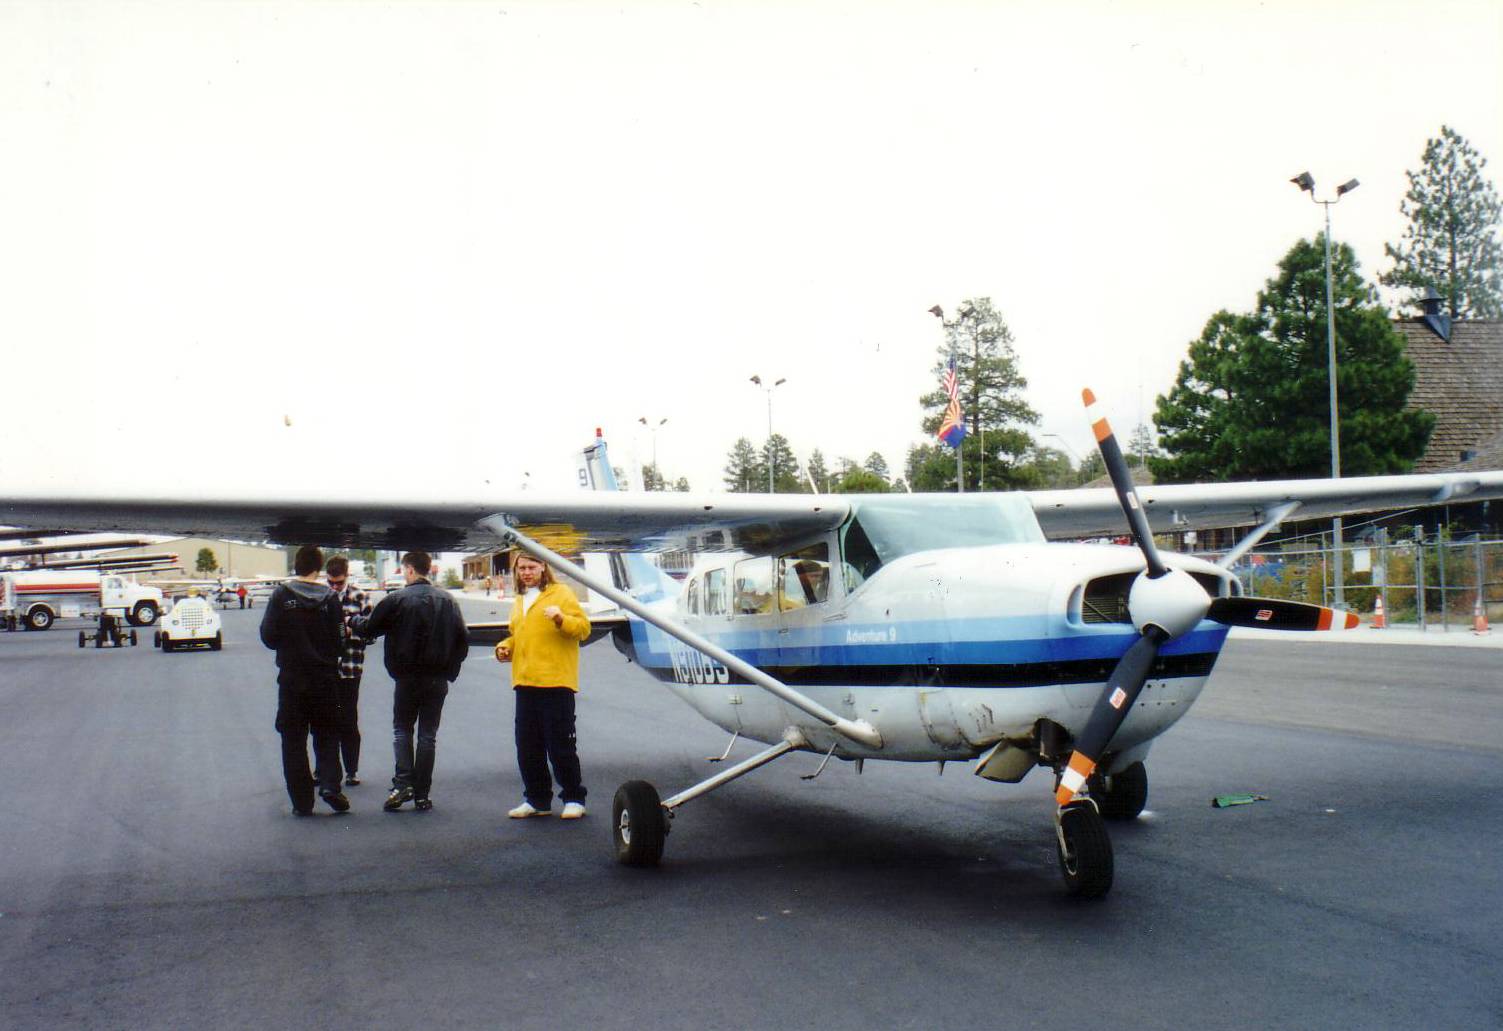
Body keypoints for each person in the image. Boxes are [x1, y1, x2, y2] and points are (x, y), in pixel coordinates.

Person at [352, 550, 469, 812]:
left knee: (402, 729)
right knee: (428, 736)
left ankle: (403, 782)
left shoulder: (397, 599)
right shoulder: (448, 600)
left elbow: (371, 627)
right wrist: (450, 670)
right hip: (437, 677)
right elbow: (462, 639)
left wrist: (353, 621)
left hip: (406, 676)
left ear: (409, 570)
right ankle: (422, 793)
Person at [495, 552, 591, 820]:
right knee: (527, 746)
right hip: (525, 682)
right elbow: (519, 635)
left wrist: (561, 619)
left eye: (531, 567)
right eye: (521, 568)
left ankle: (573, 798)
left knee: (560, 744)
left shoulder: (562, 593)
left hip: (556, 682)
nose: (525, 572)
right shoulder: (520, 600)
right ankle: (537, 800)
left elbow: (583, 629)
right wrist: (505, 646)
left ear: (543, 567)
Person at [259, 544, 350, 816]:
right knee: (327, 734)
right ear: (318, 568)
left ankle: (302, 800)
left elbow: (268, 636)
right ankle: (331, 785)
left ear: (295, 565)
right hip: (325, 678)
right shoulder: (330, 598)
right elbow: (340, 641)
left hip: (292, 679)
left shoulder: (281, 595)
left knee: (293, 739)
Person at [325, 555, 372, 787]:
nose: (334, 587)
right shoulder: (320, 597)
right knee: (324, 721)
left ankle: (351, 770)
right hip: (324, 669)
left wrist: (348, 628)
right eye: (331, 582)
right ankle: (323, 769)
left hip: (351, 667)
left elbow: (371, 633)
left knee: (349, 719)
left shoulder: (360, 597)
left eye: (339, 583)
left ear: (347, 577)